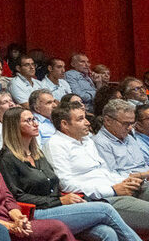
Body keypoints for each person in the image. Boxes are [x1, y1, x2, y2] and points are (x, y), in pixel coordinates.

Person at [0, 107, 141, 241]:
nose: (36, 124)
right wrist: (60, 201)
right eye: (28, 120)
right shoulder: (6, 159)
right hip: (36, 212)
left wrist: (69, 199)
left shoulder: (37, 154)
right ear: (14, 126)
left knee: (107, 232)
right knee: (105, 209)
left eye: (34, 119)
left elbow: (53, 184)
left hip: (57, 206)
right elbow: (16, 197)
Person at [44, 100, 149, 234]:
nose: (88, 122)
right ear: (65, 124)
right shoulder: (55, 144)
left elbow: (104, 171)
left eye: (85, 118)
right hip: (101, 199)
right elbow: (66, 184)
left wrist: (124, 181)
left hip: (116, 186)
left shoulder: (87, 140)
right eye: (81, 119)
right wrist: (112, 190)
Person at [93, 99, 149, 178]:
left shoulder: (129, 137)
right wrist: (142, 175)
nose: (130, 128)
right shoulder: (100, 143)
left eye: (132, 123)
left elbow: (143, 165)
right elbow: (112, 176)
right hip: (131, 182)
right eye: (126, 123)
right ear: (108, 121)